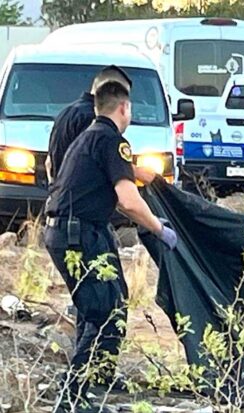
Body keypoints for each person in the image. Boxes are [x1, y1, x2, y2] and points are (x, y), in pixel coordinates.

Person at [44, 80, 177, 413]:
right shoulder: (112, 141)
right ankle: (72, 397)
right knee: (102, 312)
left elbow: (111, 193)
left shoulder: (90, 137)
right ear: (123, 108)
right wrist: (160, 229)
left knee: (106, 304)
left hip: (68, 232)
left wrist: (141, 181)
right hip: (78, 235)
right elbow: (128, 200)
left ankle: (94, 382)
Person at [46, 65, 131, 183]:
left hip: (60, 187)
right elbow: (96, 163)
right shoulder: (95, 120)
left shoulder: (65, 113)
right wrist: (134, 171)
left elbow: (49, 162)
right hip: (82, 189)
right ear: (109, 89)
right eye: (121, 94)